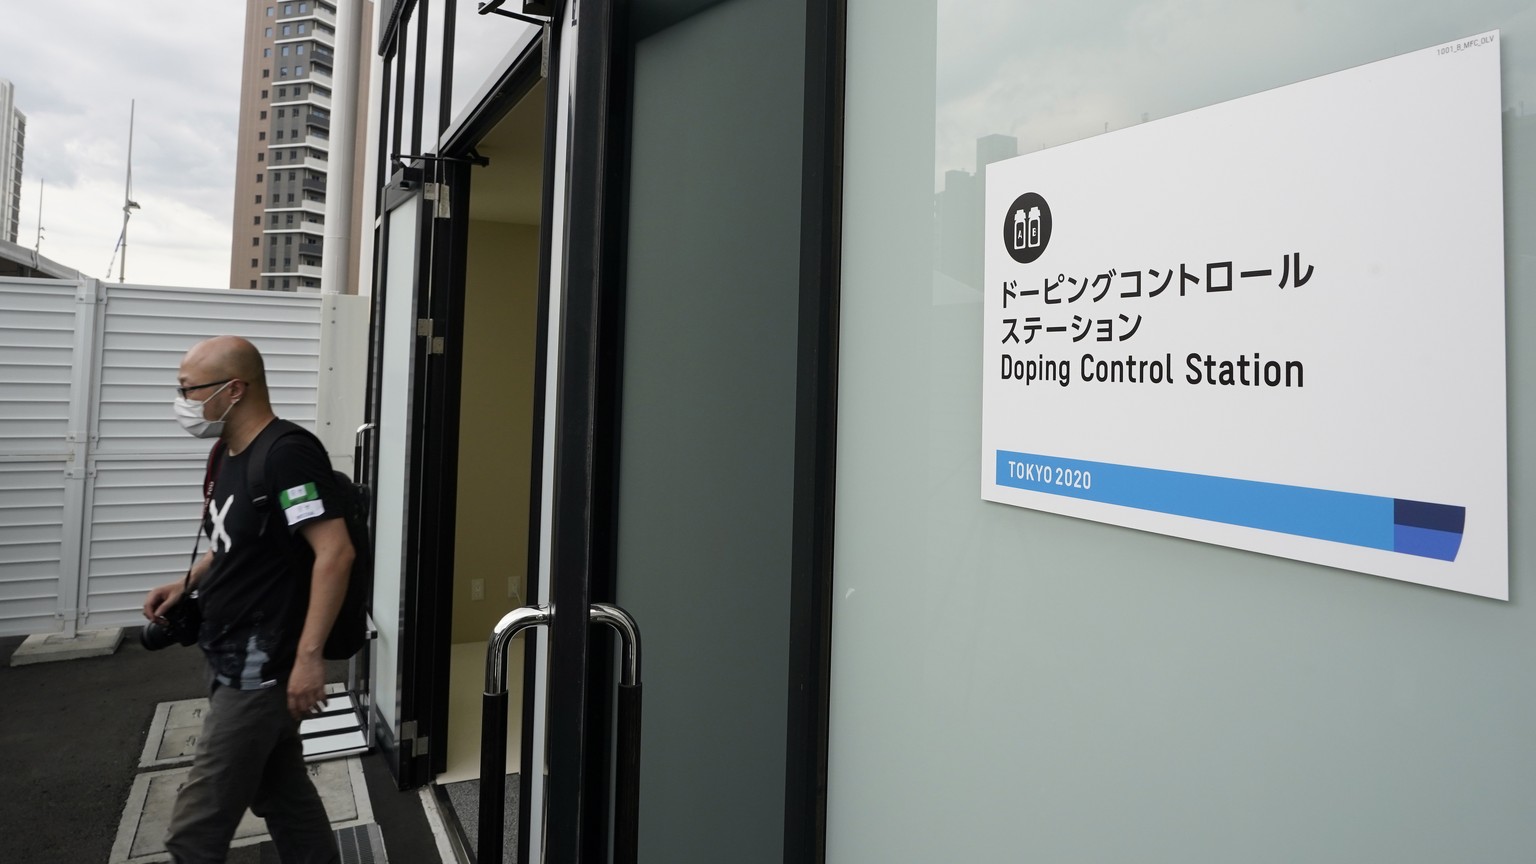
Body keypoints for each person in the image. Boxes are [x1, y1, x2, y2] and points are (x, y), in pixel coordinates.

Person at [143, 335, 354, 864]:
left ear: (234, 390)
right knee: (283, 797)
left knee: (195, 830)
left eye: (190, 390)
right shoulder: (227, 452)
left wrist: (309, 661)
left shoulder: (287, 454)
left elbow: (334, 553)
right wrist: (187, 582)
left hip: (263, 669)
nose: (184, 401)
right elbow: (235, 542)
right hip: (229, 651)